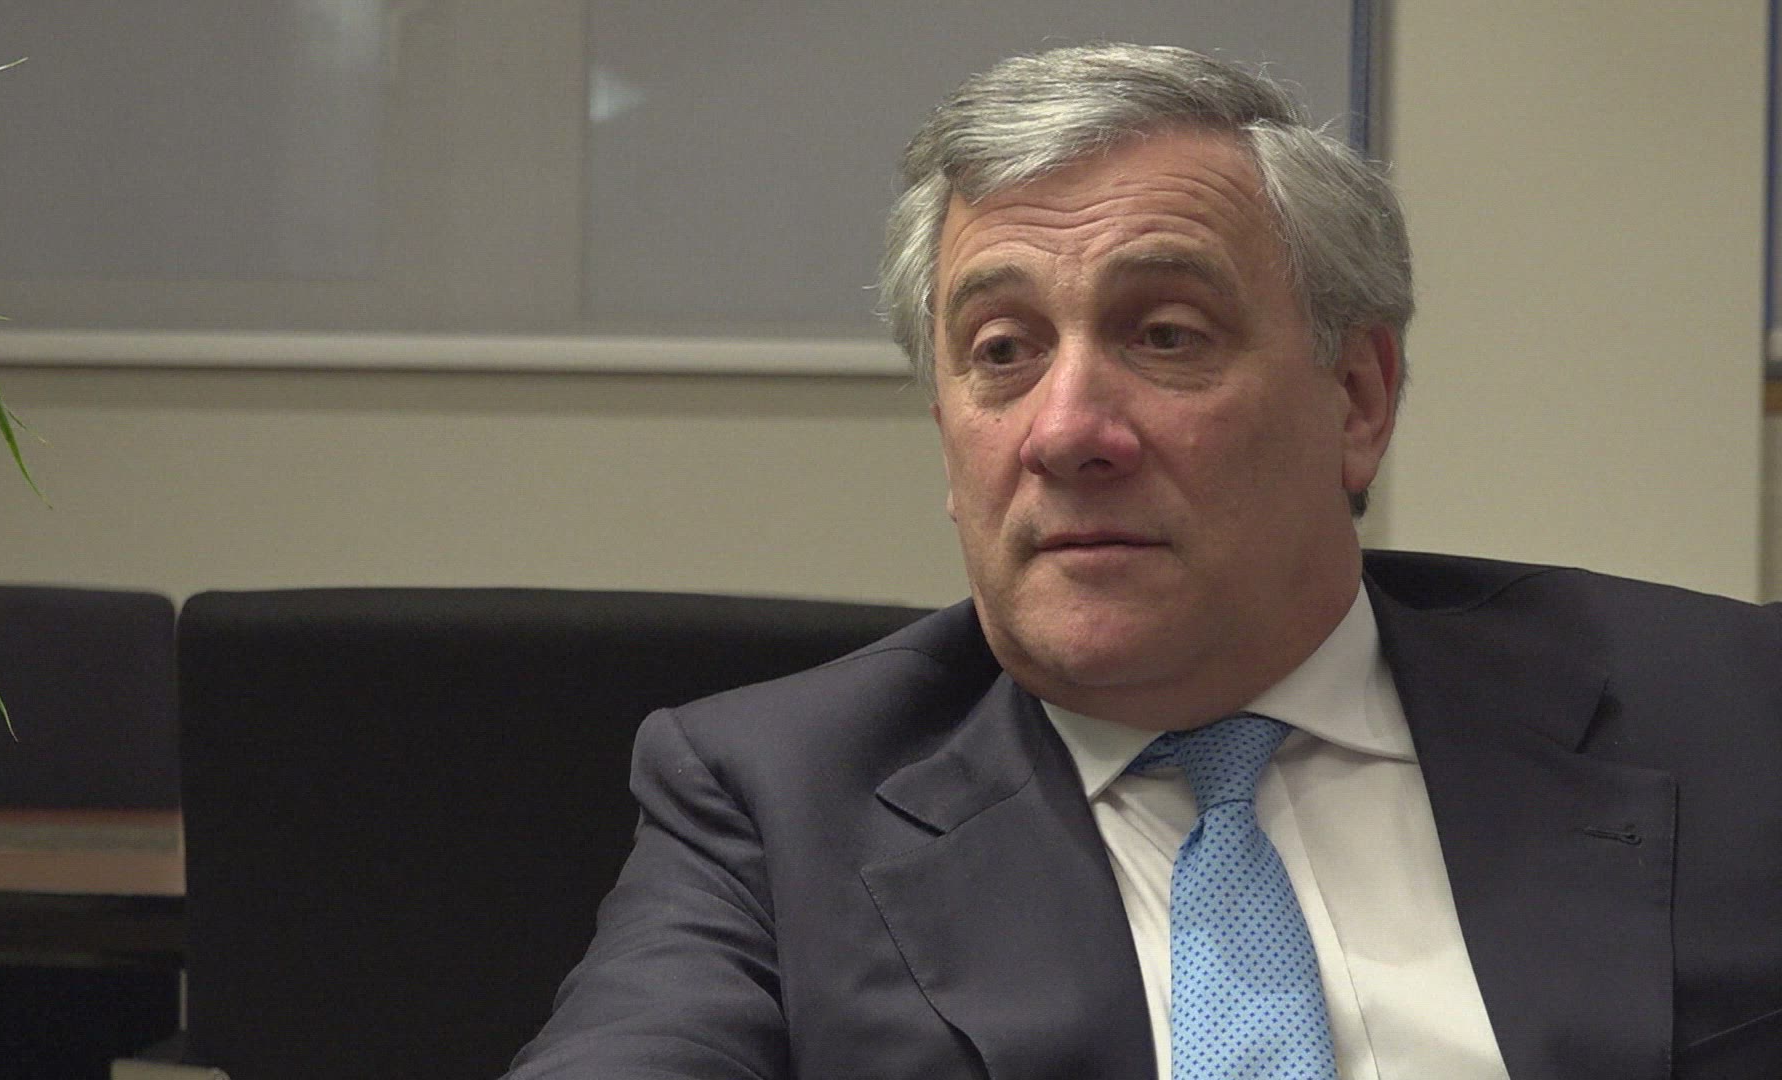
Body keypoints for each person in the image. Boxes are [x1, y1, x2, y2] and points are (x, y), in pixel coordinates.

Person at [506, 43, 1782, 1080]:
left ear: (1356, 397)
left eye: (1166, 335)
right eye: (1002, 352)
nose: (1066, 432)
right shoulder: (775, 798)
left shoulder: (1731, 709)